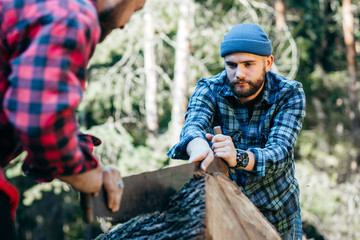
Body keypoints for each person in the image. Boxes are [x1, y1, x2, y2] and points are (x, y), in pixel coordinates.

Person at [0, 0, 146, 238]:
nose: (124, 24)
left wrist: (89, 163)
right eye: (135, 9)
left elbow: (38, 102)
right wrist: (88, 177)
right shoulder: (72, 14)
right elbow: (40, 123)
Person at [168, 23, 306, 240]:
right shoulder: (209, 88)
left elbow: (279, 153)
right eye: (231, 65)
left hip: (278, 215)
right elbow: (193, 126)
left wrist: (237, 157)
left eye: (248, 64)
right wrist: (198, 145)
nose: (239, 74)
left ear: (268, 62)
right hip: (228, 217)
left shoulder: (289, 93)